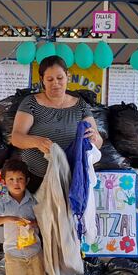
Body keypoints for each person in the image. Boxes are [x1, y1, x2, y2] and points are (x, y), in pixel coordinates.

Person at [10, 55, 102, 192]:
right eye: (50, 79)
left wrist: (94, 139)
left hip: (70, 178)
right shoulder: (31, 103)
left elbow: (98, 141)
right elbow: (16, 138)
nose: (55, 83)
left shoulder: (80, 105)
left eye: (60, 78)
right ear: (42, 80)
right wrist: (36, 141)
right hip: (36, 177)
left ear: (67, 77)